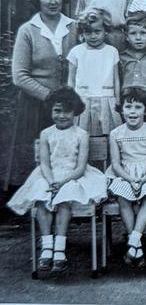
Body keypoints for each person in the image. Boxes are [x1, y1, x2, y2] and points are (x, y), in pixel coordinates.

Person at [7, 87, 106, 274]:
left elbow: (80, 167)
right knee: (42, 198)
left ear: (75, 111)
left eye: (67, 111)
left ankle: (60, 249)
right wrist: (52, 181)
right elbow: (44, 164)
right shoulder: (46, 133)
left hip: (73, 176)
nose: (61, 116)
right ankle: (47, 247)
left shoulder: (81, 134)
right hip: (49, 175)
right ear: (50, 110)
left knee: (64, 201)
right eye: (57, 110)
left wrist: (61, 183)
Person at [7, 0, 77, 190]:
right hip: (35, 107)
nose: (53, 1)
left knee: (67, 157)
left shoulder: (74, 27)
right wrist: (50, 96)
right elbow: (19, 76)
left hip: (69, 107)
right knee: (36, 160)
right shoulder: (28, 30)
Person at [107, 88, 146, 267]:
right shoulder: (116, 133)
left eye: (138, 107)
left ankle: (133, 241)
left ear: (145, 109)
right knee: (122, 195)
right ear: (121, 110)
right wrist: (129, 179)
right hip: (124, 173)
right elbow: (116, 164)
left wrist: (143, 180)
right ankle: (137, 246)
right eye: (128, 107)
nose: (132, 112)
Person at [67, 8, 122, 136]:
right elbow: (71, 79)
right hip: (83, 99)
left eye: (97, 32)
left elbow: (116, 78)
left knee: (108, 133)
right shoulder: (76, 52)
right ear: (82, 33)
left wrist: (117, 99)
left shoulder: (112, 51)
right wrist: (71, 99)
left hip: (106, 99)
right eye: (88, 32)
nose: (93, 36)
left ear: (105, 31)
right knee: (82, 133)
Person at [119, 11, 146, 125]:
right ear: (126, 36)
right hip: (126, 98)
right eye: (133, 33)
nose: (138, 38)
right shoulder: (121, 57)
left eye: (143, 33)